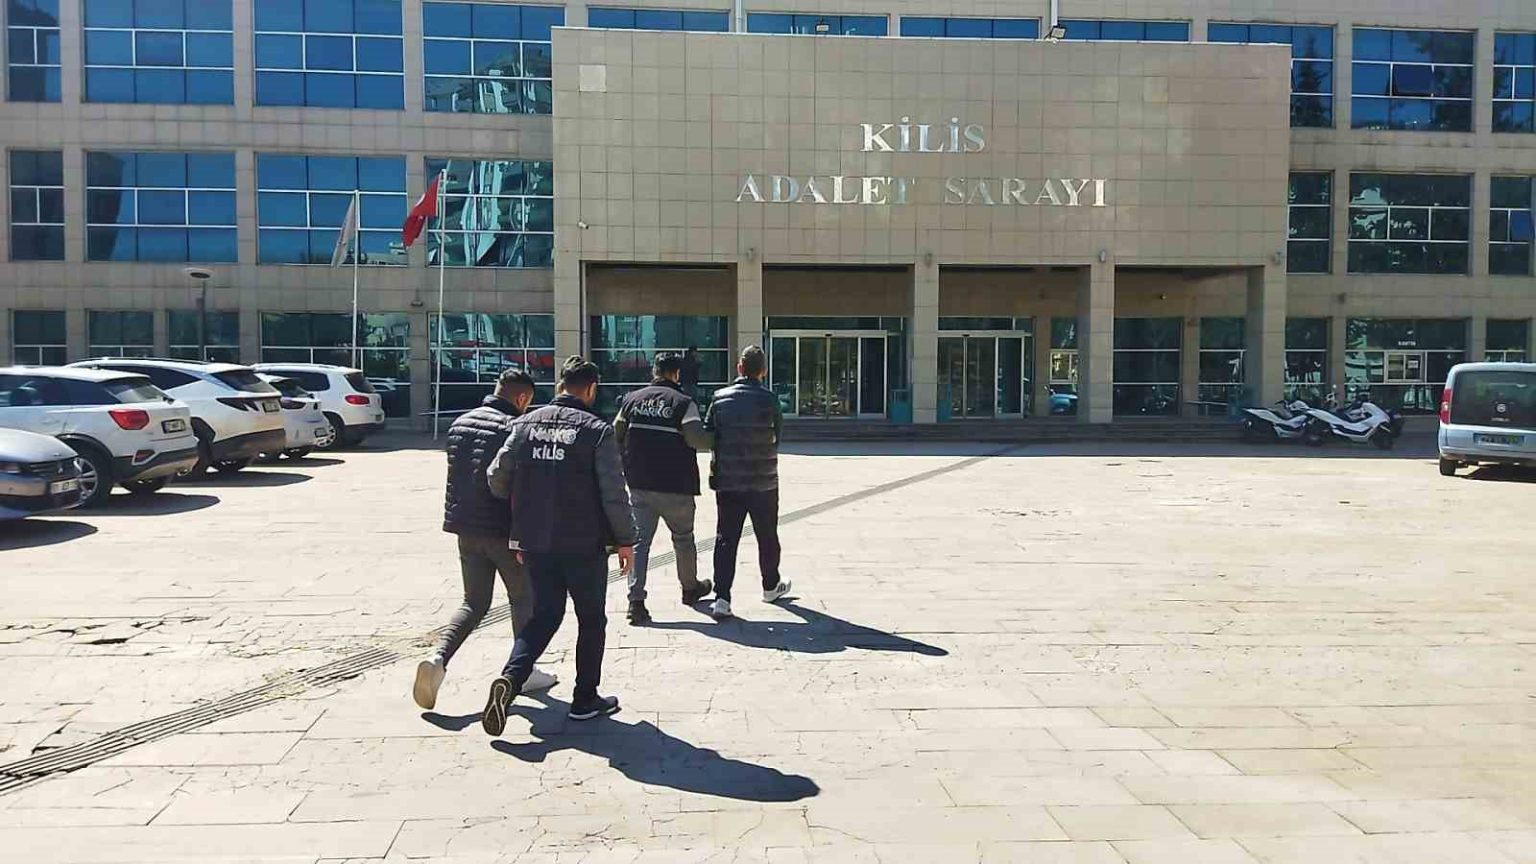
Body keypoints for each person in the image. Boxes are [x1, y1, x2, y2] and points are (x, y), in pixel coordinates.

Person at [482, 356, 637, 734]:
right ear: (591, 389)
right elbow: (613, 493)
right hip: (583, 543)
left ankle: (511, 677)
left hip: (535, 540)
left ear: (560, 384)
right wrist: (626, 540)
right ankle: (585, 699)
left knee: (545, 615)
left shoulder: (524, 424)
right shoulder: (596, 431)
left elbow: (496, 477)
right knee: (591, 618)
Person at [413, 370, 557, 710]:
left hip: (465, 527)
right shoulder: (514, 428)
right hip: (503, 530)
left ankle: (437, 658)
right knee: (524, 598)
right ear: (522, 398)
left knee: (474, 603)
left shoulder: (460, 423)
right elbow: (523, 487)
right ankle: (523, 672)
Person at [614, 352, 714, 625]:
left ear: (654, 371)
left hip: (639, 484)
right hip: (676, 485)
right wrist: (719, 439)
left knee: (640, 543)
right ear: (676, 374)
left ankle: (636, 601)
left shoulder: (631, 400)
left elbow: (616, 434)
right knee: (683, 538)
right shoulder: (683, 402)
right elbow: (696, 439)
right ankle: (690, 589)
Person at [704, 345, 792, 620]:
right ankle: (770, 586)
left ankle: (722, 597)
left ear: (739, 368)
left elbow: (708, 435)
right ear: (763, 371)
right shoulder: (771, 400)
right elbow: (777, 437)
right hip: (764, 482)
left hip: (728, 481)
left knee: (725, 539)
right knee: (767, 535)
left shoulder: (719, 398)